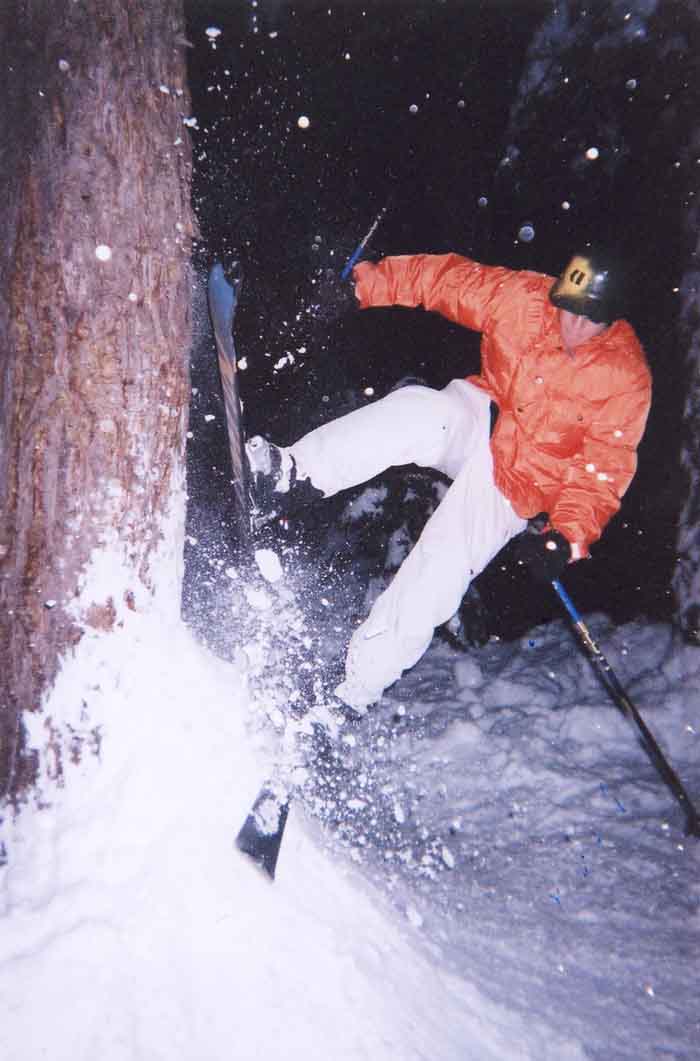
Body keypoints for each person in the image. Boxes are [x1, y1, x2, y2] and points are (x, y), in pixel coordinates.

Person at [246, 249, 652, 715]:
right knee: (419, 411)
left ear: (612, 321)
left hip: (515, 484)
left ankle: (349, 691)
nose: (572, 326)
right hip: (481, 415)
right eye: (568, 308)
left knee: (437, 575)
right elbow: (446, 280)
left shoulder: (625, 377)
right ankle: (290, 476)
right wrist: (365, 286)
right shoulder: (525, 297)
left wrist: (565, 537)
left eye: (589, 319)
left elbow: (602, 471)